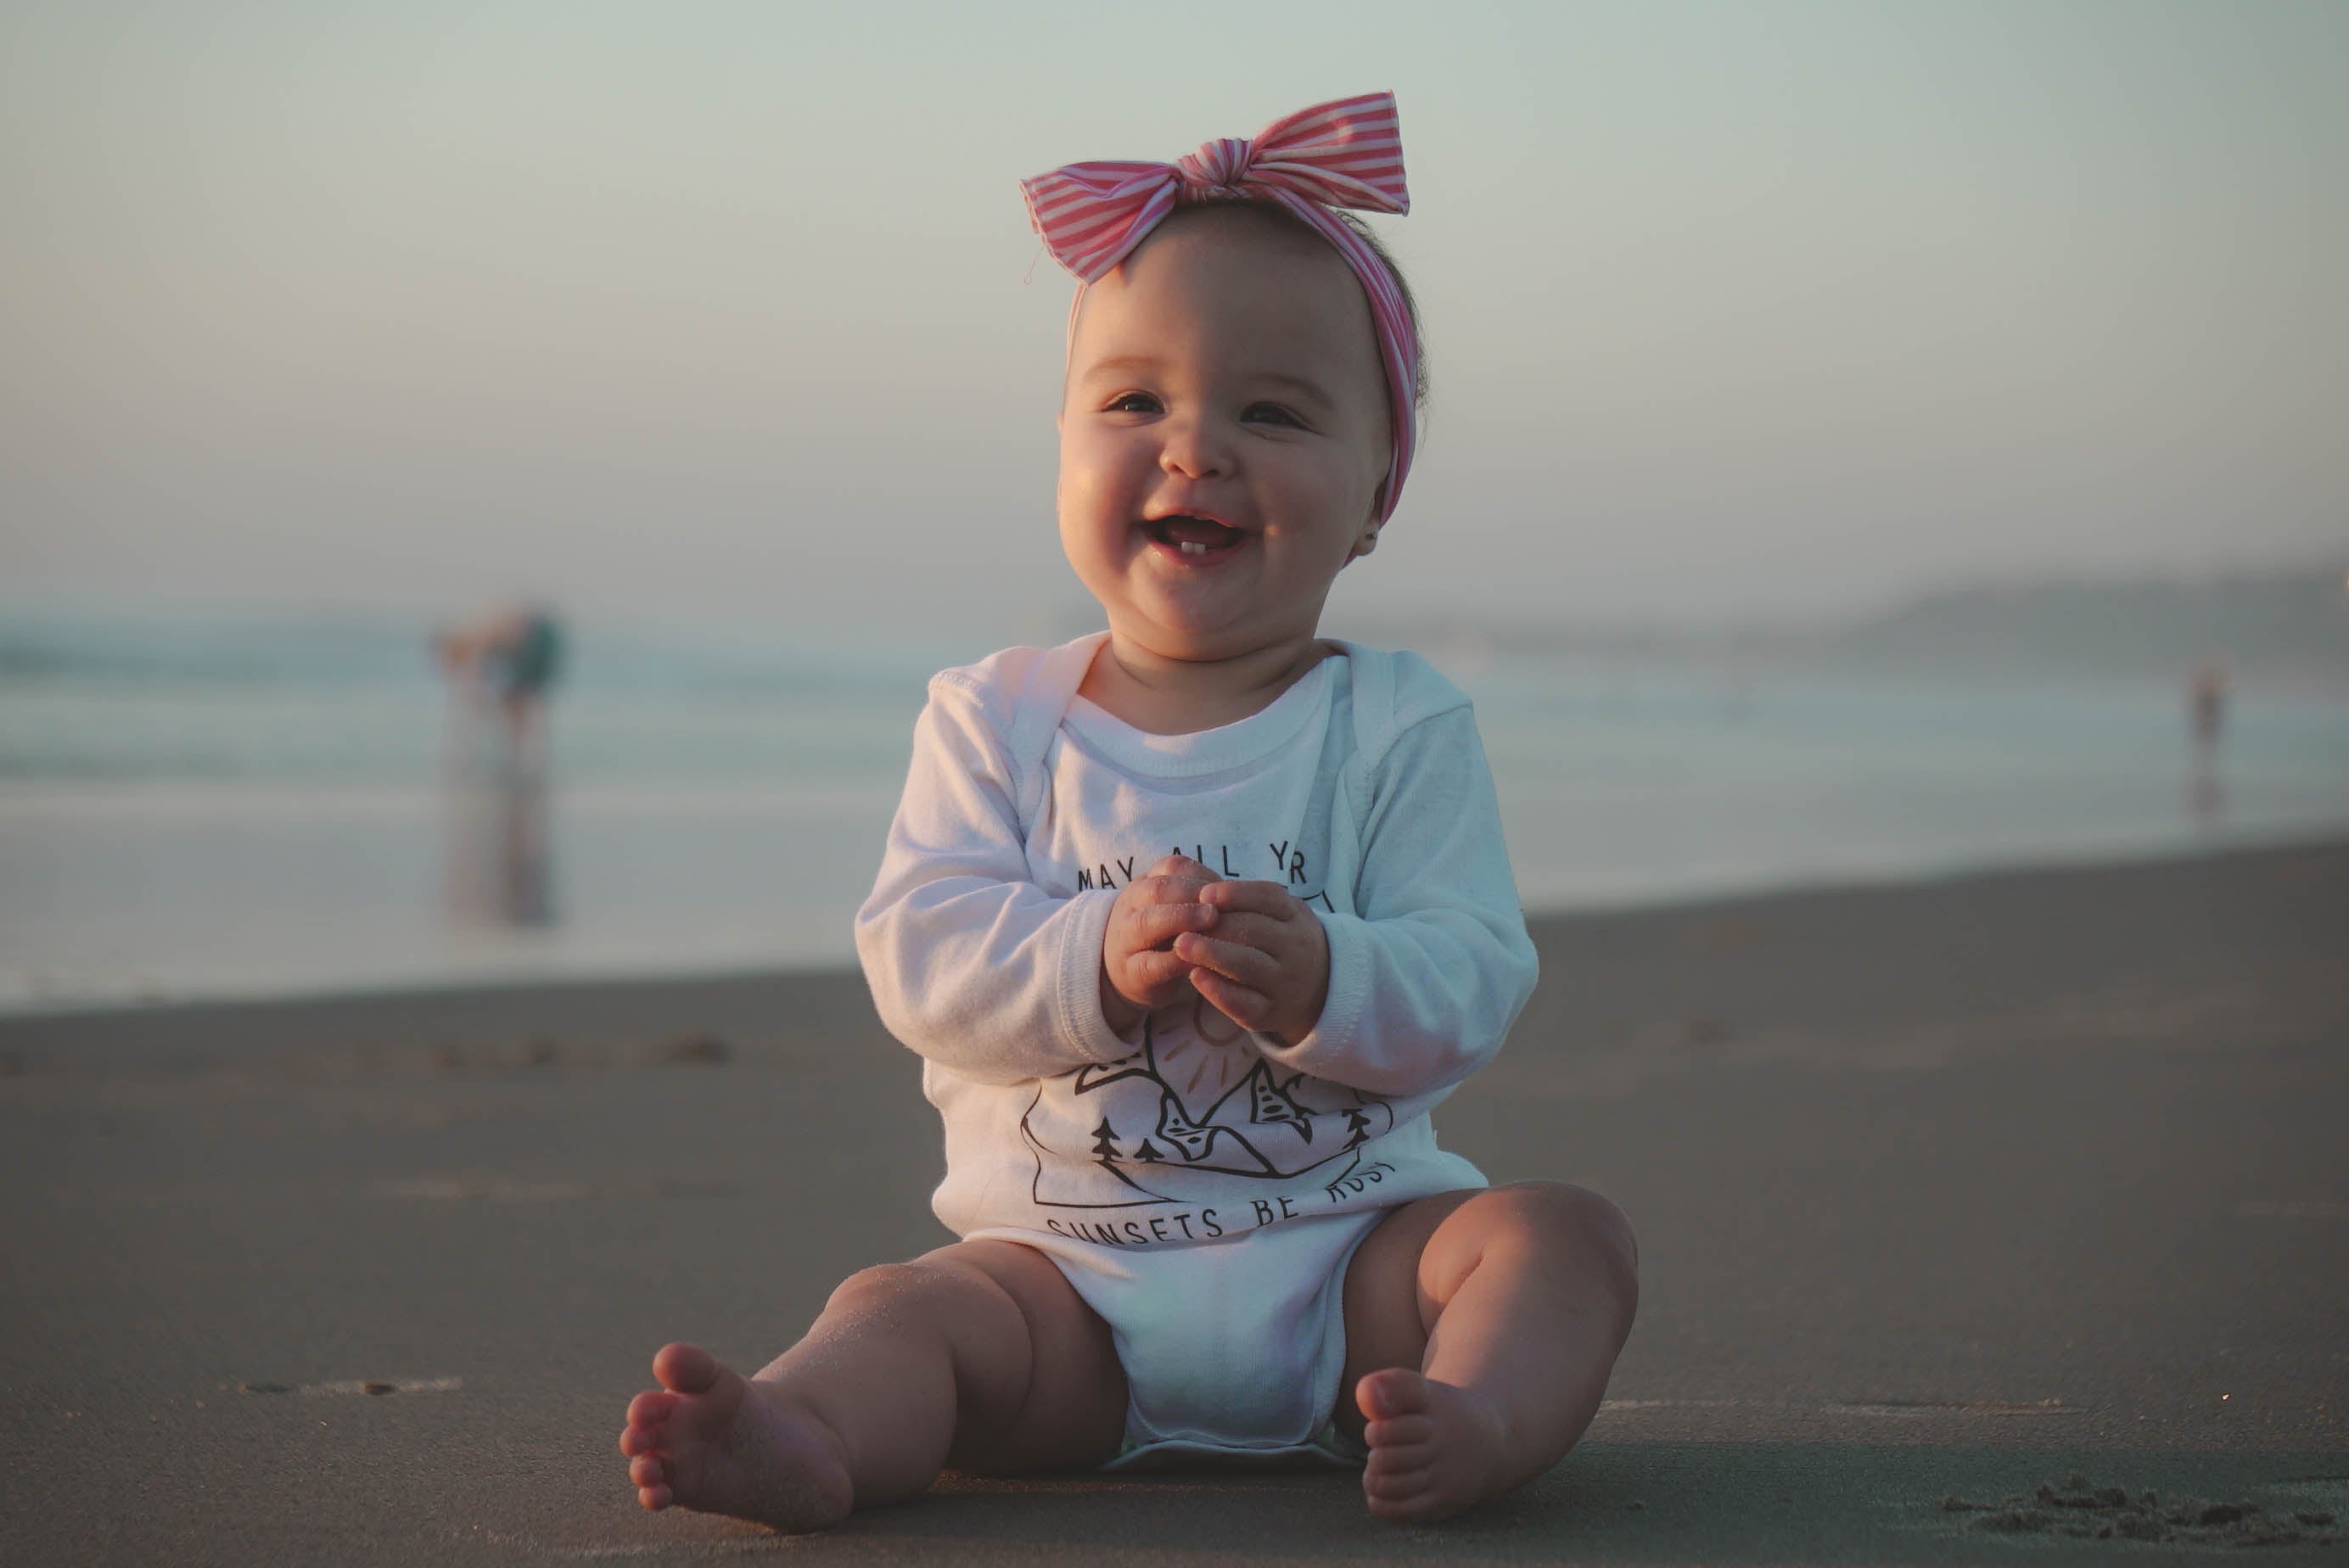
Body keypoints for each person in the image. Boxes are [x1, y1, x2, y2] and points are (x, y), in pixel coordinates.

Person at [618, 93, 1639, 1530]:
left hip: (1356, 1277)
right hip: (1064, 1289)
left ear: (1371, 496)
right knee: (901, 1308)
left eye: (1271, 411)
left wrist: (1331, 976)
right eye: (1132, 401)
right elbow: (922, 955)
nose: (1193, 446)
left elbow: (1471, 972)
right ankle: (804, 1429)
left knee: (1559, 1238)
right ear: (1062, 447)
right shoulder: (995, 718)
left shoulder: (1397, 724)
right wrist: (1092, 952)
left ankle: (1473, 1413)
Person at [434, 604, 562, 924]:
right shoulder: (486, 634)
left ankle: (522, 765)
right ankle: (524, 765)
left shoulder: (478, 640)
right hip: (539, 635)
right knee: (520, 703)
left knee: (517, 703)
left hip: (537, 636)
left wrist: (460, 758)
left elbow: (476, 692)